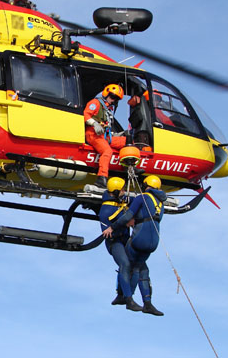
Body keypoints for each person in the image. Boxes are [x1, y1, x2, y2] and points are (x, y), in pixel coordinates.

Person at [103, 175, 166, 316]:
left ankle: (125, 297)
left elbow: (127, 216)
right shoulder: (161, 202)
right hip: (153, 242)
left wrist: (112, 227)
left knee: (128, 265)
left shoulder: (141, 197)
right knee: (142, 269)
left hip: (140, 239)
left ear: (146, 185)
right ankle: (148, 304)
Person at [99, 177, 142, 312]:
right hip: (115, 242)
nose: (124, 192)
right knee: (125, 264)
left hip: (125, 239)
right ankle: (129, 300)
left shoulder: (120, 200)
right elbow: (108, 233)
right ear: (116, 192)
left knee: (133, 266)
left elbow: (133, 201)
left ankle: (120, 294)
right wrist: (126, 220)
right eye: (123, 190)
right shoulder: (106, 210)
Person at [84, 84, 127, 188]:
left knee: (126, 141)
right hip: (93, 134)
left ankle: (129, 167)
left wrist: (114, 134)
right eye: (112, 97)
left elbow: (106, 125)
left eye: (116, 99)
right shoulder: (95, 103)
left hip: (104, 136)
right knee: (107, 151)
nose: (113, 100)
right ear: (106, 93)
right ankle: (102, 177)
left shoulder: (108, 109)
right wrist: (94, 124)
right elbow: (86, 114)